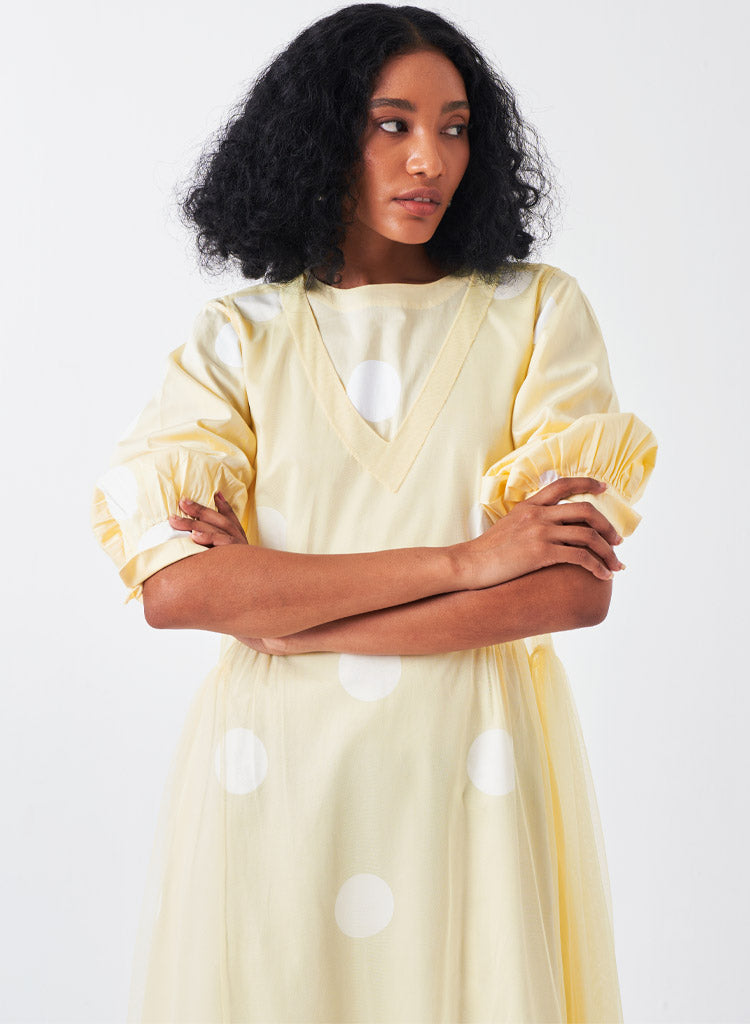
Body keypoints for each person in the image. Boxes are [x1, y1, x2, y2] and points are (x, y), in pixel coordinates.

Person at [90, 4, 658, 1021]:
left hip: (471, 766)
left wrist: (285, 619)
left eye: (455, 127)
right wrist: (470, 561)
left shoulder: (536, 313)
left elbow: (571, 592)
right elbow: (177, 592)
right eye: (391, 124)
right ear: (318, 137)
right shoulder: (237, 339)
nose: (430, 159)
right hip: (279, 777)